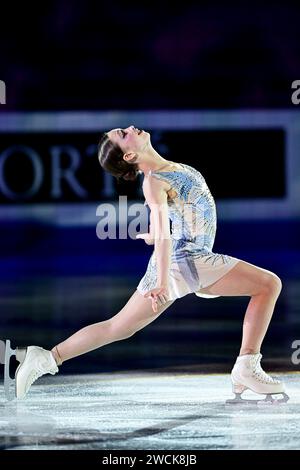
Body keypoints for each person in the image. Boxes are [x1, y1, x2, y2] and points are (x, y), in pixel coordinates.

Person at [13, 125, 288, 403]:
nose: (130, 128)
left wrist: (154, 237)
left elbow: (168, 224)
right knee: (268, 284)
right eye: (123, 133)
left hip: (182, 260)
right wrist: (160, 281)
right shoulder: (153, 181)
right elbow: (166, 237)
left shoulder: (168, 169)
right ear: (130, 155)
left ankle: (46, 357)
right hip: (187, 260)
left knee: (118, 327)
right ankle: (246, 366)